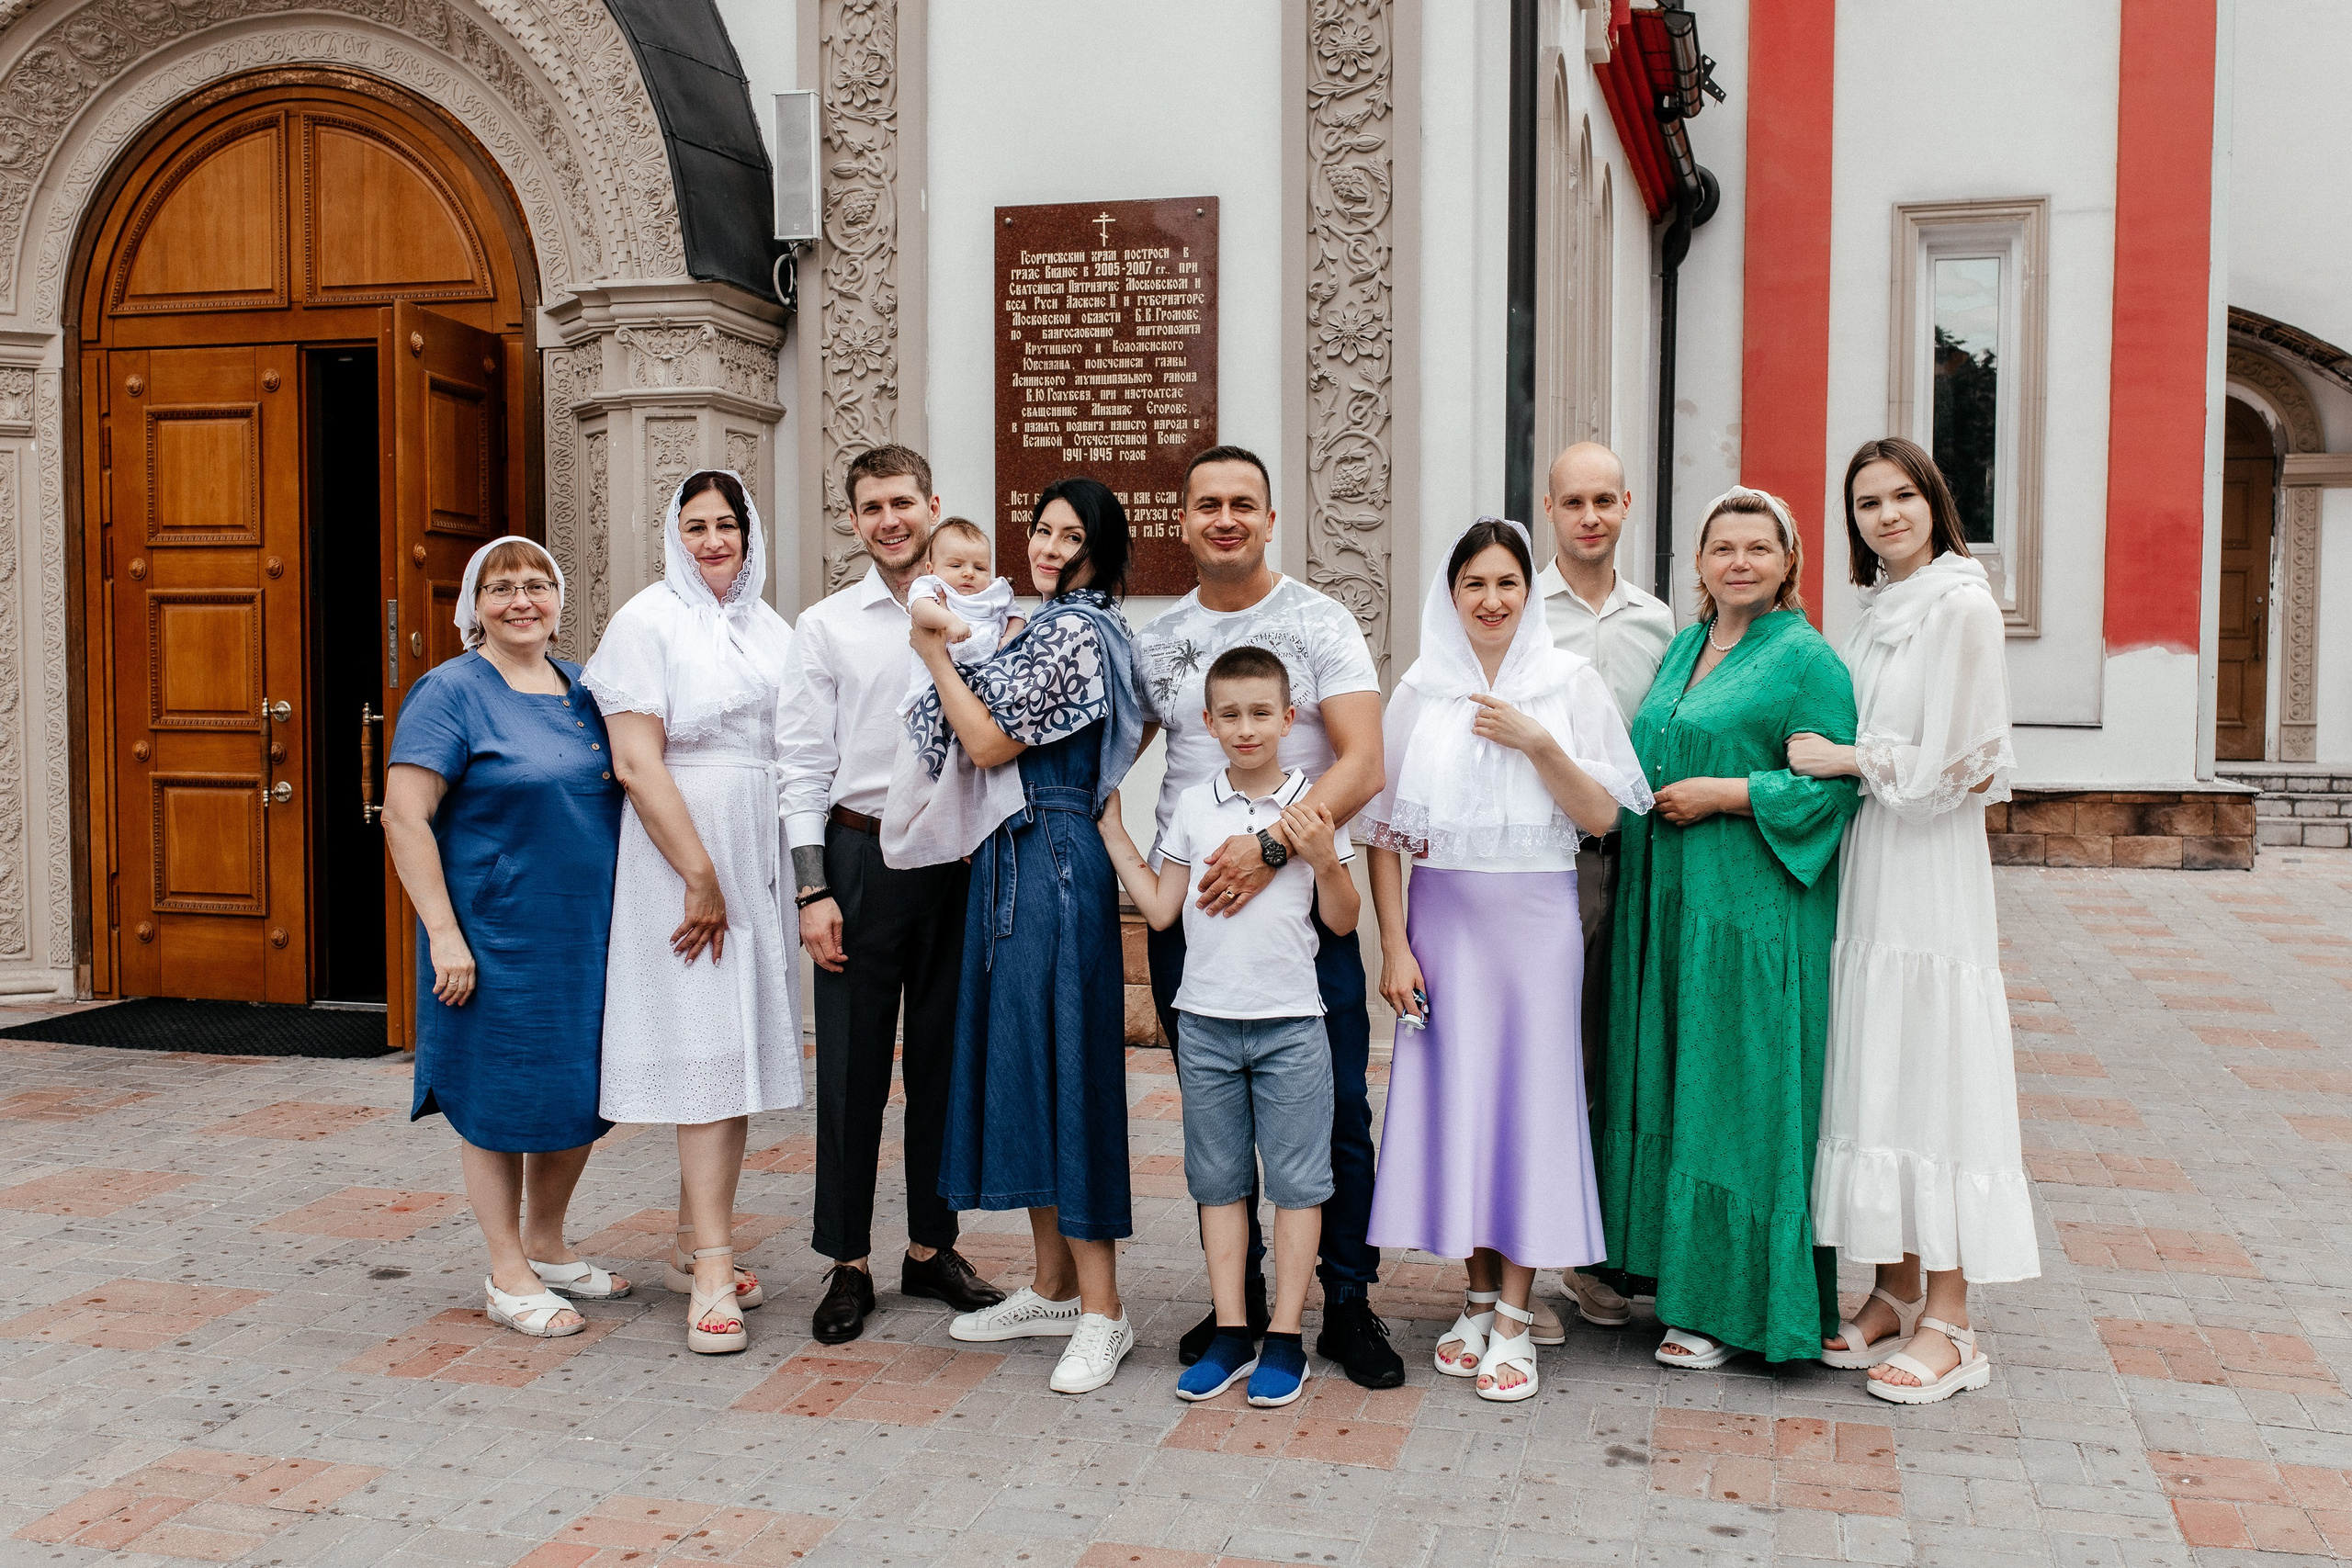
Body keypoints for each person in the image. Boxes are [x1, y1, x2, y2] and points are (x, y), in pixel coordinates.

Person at [1361, 518, 1652, 1403]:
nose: (1491, 600)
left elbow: (1605, 815)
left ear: (1530, 594)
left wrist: (1538, 742)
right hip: (1443, 918)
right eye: (1474, 584)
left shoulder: (1567, 683)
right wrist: (1395, 942)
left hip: (1535, 917)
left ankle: (1520, 1317)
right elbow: (1381, 833)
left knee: (1528, 1103)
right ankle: (1479, 1294)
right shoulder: (1420, 688)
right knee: (1465, 1104)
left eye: (1507, 584)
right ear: (1451, 595)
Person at [1135, 445, 1404, 1392]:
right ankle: (1237, 1309)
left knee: (1330, 1115)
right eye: (1207, 504)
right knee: (1219, 1117)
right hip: (1194, 919)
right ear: (1183, 521)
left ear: (1269, 518)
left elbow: (1361, 761)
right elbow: (1110, 752)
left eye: (1243, 503)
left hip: (1297, 902)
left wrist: (1277, 848)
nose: (1225, 518)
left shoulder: (1317, 620)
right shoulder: (1158, 637)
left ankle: (1346, 1302)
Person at [1594, 486, 1862, 1370]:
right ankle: (1674, 1278)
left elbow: (1832, 785)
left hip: (1750, 911)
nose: (1738, 561)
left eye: (1758, 547)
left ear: (1789, 562)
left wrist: (1728, 793)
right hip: (1668, 905)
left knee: (1734, 1094)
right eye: (1722, 548)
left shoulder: (1806, 659)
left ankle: (1731, 1307)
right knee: (1676, 1078)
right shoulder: (1683, 645)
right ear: (1700, 564)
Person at [1792, 436, 2037, 1404]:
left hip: (1930, 868)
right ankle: (1891, 1287)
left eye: (1901, 495)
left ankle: (1953, 1318)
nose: (1886, 514)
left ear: (1935, 500)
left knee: (1931, 1063)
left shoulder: (1959, 604)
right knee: (1878, 1057)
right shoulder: (1877, 610)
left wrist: (1847, 761)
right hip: (1873, 865)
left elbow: (1967, 764)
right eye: (1865, 502)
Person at [919, 478, 1150, 1394]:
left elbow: (985, 743)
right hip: (1018, 857)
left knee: (1072, 1076)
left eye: (1070, 533)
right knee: (1033, 1067)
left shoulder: (1075, 631)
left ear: (1100, 543)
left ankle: (1104, 1312)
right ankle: (1055, 1288)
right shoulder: (1037, 624)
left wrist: (933, 653)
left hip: (1054, 855)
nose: (1049, 546)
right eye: (1042, 528)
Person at [778, 446, 1006, 1345]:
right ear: (853, 519)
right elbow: (798, 767)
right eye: (871, 506)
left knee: (944, 1067)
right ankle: (847, 1261)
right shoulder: (826, 627)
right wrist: (811, 891)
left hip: (954, 861)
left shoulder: (981, 616)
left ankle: (928, 1248)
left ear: (931, 504)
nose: (889, 519)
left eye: (902, 502)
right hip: (862, 859)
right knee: (851, 1073)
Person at [382, 536, 630, 1339]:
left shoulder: (586, 688)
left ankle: (549, 1243)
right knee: (496, 1099)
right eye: (502, 588)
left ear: (559, 600)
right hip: (492, 937)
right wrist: (444, 934)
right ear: (474, 606)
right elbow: (404, 815)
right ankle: (506, 1268)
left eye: (537, 585)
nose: (522, 600)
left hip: (584, 933)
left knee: (577, 1091)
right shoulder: (450, 692)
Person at [1100, 646, 1360, 1409]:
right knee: (1218, 1183)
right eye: (1230, 715)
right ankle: (1233, 1330)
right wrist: (1116, 832)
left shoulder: (1312, 805)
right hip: (1208, 1025)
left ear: (1288, 718)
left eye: (1261, 713)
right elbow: (1161, 908)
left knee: (1299, 1183)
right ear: (1208, 722)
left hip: (1290, 1026)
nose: (1246, 728)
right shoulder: (1193, 804)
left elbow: (1342, 920)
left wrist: (1323, 856)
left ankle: (1286, 1336)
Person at [582, 469, 801, 1355]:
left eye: (728, 525)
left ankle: (686, 1238)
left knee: (731, 1050)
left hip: (753, 845)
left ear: (750, 533)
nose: (714, 541)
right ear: (675, 535)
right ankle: (711, 1265)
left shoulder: (771, 627)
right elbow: (636, 762)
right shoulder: (646, 620)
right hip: (683, 847)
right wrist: (699, 873)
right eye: (696, 526)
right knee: (707, 1045)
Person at [1532, 440, 1676, 1340]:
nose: (1589, 515)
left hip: (1641, 860)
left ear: (1626, 505)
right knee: (1560, 1053)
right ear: (1549, 510)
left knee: (1624, 1049)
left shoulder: (1658, 623)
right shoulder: (1521, 612)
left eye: (1603, 500)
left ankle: (1613, 1243)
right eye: (1571, 501)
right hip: (1549, 860)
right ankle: (1553, 1252)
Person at [899, 517, 1024, 714]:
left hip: (988, 678)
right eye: (956, 566)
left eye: (980, 568)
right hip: (936, 684)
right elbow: (918, 609)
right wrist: (949, 620)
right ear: (932, 569)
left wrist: (1009, 637)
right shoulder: (933, 585)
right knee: (933, 736)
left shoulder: (996, 590)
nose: (969, 573)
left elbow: (1017, 617)